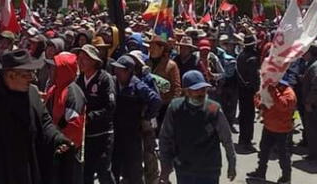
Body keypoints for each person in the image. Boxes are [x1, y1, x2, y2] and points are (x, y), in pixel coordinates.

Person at [0, 49, 73, 184]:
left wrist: (58, 139)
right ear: (10, 75)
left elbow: (45, 123)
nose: (32, 78)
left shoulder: (31, 94)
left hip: (29, 169)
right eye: (27, 74)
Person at [159, 70, 236, 184]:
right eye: (196, 90)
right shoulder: (175, 108)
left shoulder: (214, 109)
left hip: (209, 170)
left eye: (203, 89)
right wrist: (166, 167)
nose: (201, 93)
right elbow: (165, 138)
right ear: (186, 91)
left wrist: (232, 162)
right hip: (184, 169)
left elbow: (227, 139)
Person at [111, 55, 162, 184]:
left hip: (133, 133)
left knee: (134, 168)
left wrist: (146, 117)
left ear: (128, 71)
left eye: (120, 69)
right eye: (115, 69)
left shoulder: (138, 86)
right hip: (117, 131)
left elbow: (155, 101)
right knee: (115, 166)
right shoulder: (114, 82)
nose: (116, 72)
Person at [74, 44, 117, 184]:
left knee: (103, 172)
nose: (80, 62)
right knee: (86, 173)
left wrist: (90, 117)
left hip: (103, 135)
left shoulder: (105, 79)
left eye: (85, 58)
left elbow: (110, 106)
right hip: (85, 136)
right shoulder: (78, 80)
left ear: (94, 61)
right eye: (79, 58)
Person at [45, 52, 86, 184]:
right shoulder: (54, 89)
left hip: (68, 152)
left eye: (54, 67)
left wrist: (58, 139)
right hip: (54, 148)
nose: (50, 70)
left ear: (63, 70)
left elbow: (74, 127)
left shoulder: (73, 93)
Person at [247, 79, 297, 184]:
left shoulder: (289, 94)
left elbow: (283, 106)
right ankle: (261, 172)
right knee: (263, 151)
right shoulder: (268, 89)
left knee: (283, 155)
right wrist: (260, 104)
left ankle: (286, 177)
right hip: (268, 127)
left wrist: (275, 92)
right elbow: (257, 96)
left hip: (282, 130)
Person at [236, 35, 260, 151]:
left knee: (243, 114)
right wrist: (257, 90)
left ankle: (242, 138)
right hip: (249, 90)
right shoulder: (252, 59)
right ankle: (247, 141)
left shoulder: (240, 56)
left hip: (241, 89)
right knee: (249, 116)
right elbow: (253, 77)